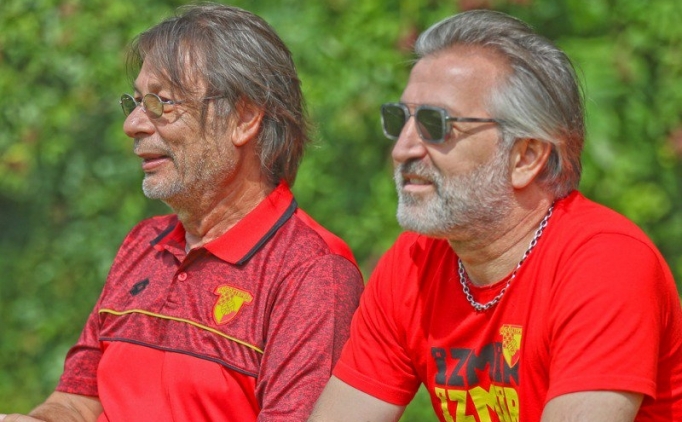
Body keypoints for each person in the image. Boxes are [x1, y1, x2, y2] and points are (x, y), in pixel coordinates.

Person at [308, 9, 682, 422]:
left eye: (435, 124)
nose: (403, 149)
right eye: (399, 119)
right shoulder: (413, 263)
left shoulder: (605, 264)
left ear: (526, 156)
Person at [1, 3, 364, 422]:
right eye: (136, 102)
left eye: (161, 102)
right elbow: (76, 401)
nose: (133, 124)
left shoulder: (312, 273)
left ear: (244, 118)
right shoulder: (144, 243)